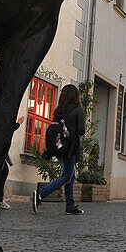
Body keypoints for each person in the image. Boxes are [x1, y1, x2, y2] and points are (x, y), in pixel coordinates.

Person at [32, 84, 85, 214]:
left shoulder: (58, 111)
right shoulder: (78, 110)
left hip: (59, 147)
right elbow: (81, 131)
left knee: (70, 176)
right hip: (71, 148)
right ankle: (41, 194)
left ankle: (70, 206)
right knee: (67, 176)